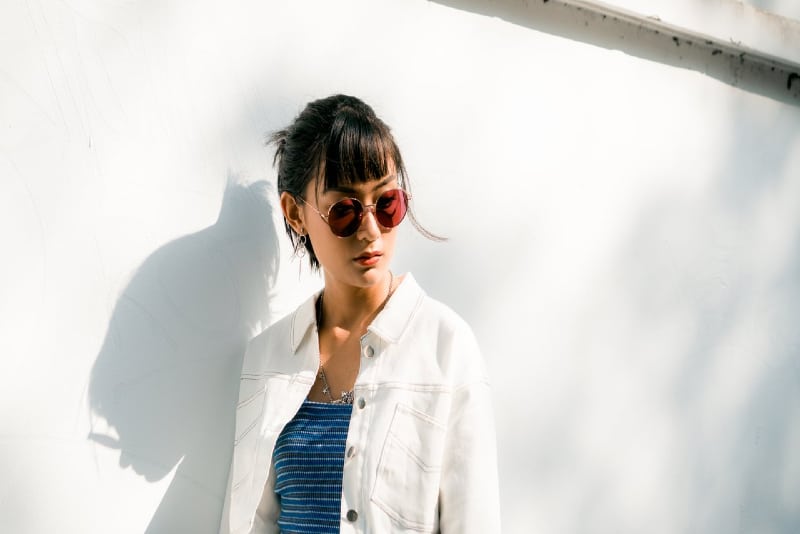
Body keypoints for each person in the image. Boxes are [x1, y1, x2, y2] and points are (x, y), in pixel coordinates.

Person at [219, 95, 500, 534]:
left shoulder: (447, 348)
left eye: (387, 203)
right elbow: (249, 523)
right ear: (296, 214)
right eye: (344, 211)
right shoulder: (267, 356)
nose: (371, 230)